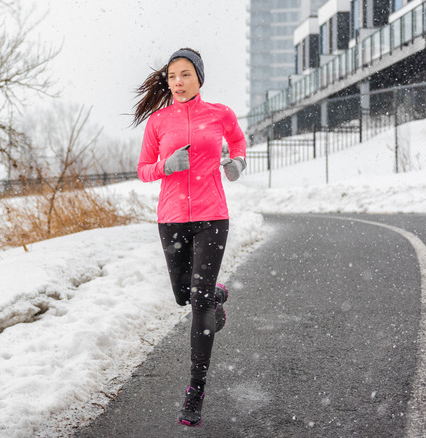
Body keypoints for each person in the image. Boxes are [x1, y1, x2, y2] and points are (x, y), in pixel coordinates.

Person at [134, 48, 246, 427]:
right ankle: (215, 297)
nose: (177, 82)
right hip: (172, 219)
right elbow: (143, 170)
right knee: (185, 296)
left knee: (196, 302)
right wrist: (166, 166)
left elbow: (240, 144)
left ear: (198, 76)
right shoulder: (158, 122)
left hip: (212, 215)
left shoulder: (220, 114)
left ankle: (195, 389)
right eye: (172, 77)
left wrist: (237, 164)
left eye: (184, 74)